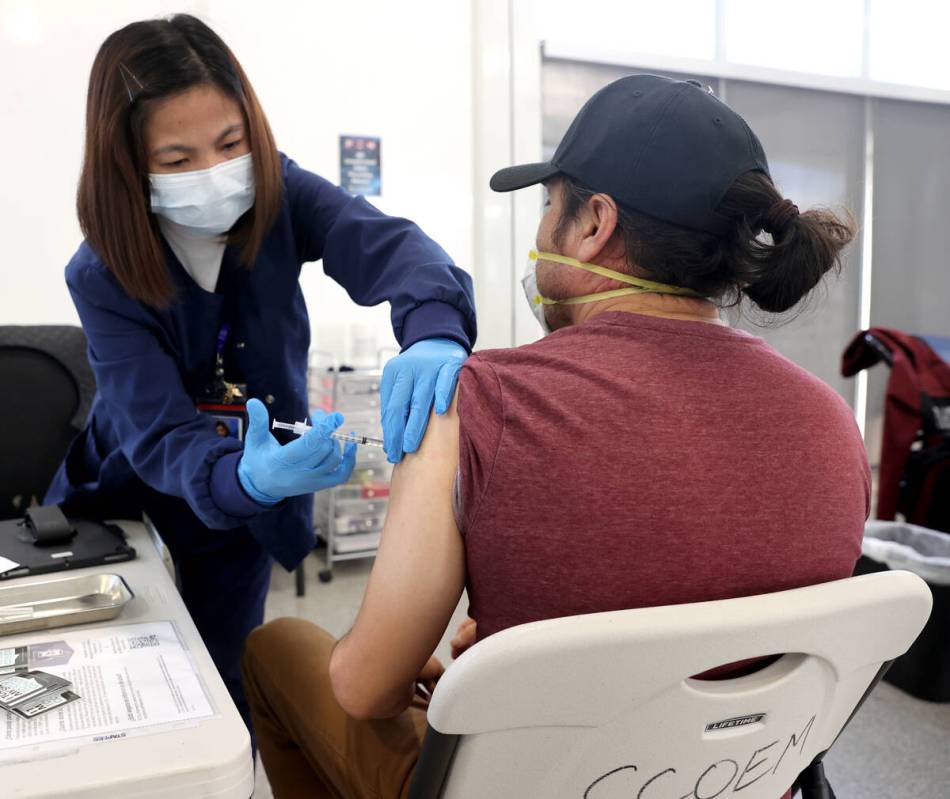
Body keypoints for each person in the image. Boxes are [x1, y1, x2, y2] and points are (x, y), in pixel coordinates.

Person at [240, 75, 869, 798]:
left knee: (275, 646)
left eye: (548, 208)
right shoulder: (833, 424)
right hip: (740, 781)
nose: (541, 238)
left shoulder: (474, 403)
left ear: (595, 224)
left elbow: (368, 687)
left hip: (535, 782)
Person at [44, 14, 476, 734]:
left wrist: (433, 326)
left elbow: (384, 243)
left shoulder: (282, 195)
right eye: (177, 160)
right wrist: (244, 478)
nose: (213, 174)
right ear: (128, 165)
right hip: (133, 481)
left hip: (246, 486)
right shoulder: (100, 273)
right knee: (123, 679)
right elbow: (157, 432)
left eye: (230, 143)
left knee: (226, 677)